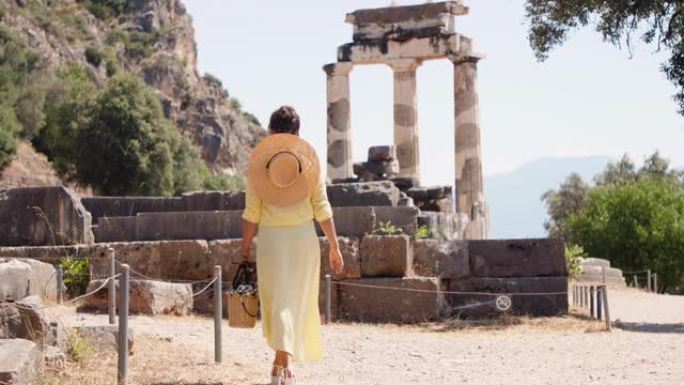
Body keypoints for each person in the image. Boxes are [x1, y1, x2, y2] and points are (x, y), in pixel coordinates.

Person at [241, 106, 344, 385]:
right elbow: (322, 207)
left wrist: (244, 249)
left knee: (277, 302)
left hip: (272, 241)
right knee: (295, 301)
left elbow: (252, 212)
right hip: (302, 240)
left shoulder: (259, 165)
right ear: (297, 134)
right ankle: (282, 363)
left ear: (271, 131)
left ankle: (281, 364)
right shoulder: (308, 163)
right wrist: (334, 246)